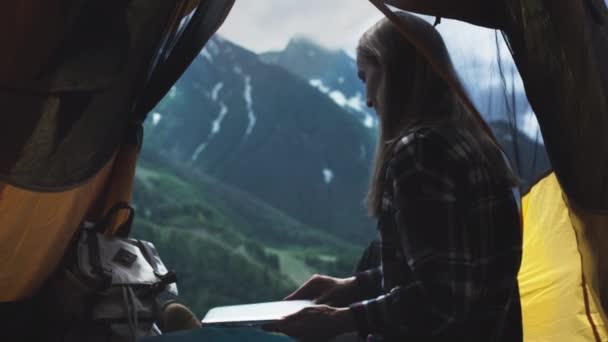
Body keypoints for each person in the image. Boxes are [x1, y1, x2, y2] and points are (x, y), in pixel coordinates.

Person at [266, 12, 523, 342]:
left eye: (364, 77)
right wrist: (352, 286)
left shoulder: (419, 153)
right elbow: (449, 269)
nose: (368, 99)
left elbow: (439, 300)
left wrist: (341, 320)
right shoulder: (475, 145)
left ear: (389, 71)